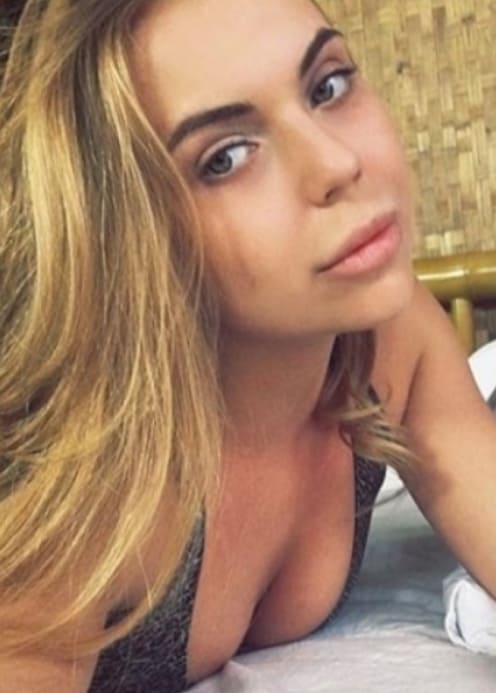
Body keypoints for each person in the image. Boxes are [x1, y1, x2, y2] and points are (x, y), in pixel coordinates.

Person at [0, 0, 494, 691]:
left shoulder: (387, 340)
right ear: (130, 232)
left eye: (327, 86)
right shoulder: (93, 474)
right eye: (225, 158)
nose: (338, 162)